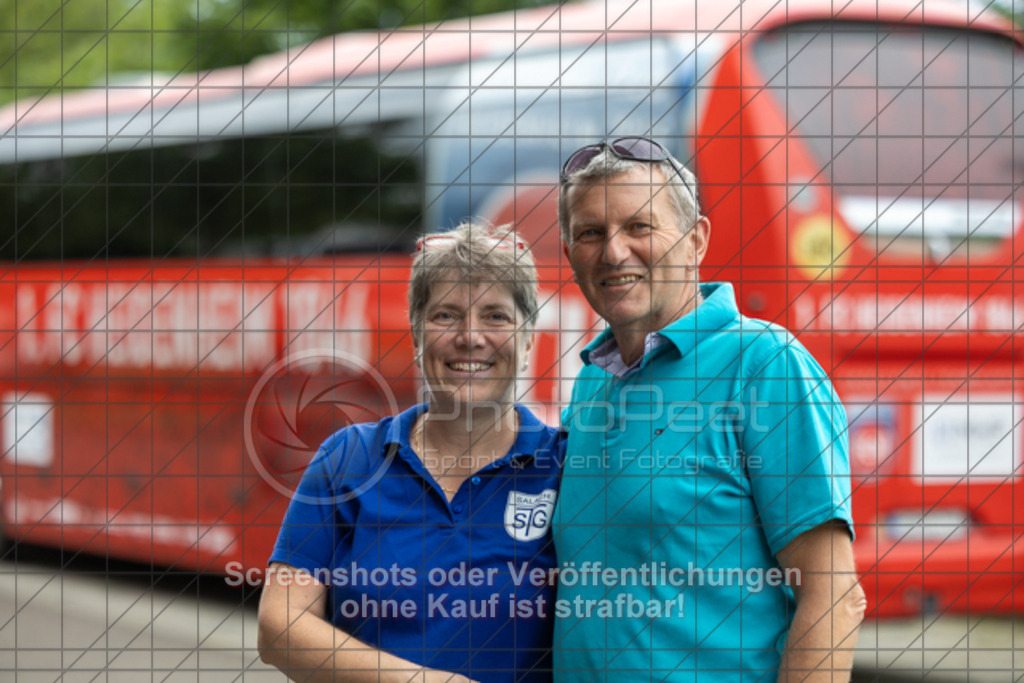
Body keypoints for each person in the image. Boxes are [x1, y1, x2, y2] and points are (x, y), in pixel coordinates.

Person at [551, 137, 866, 681]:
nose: (613, 252)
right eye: (590, 233)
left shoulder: (765, 364)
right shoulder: (591, 382)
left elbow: (833, 594)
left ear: (696, 240)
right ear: (570, 255)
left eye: (639, 227)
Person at [257, 222, 561, 682]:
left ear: (528, 338)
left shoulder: (566, 468)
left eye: (496, 316)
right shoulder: (349, 457)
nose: (470, 336)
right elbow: (280, 628)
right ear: (417, 334)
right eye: (446, 315)